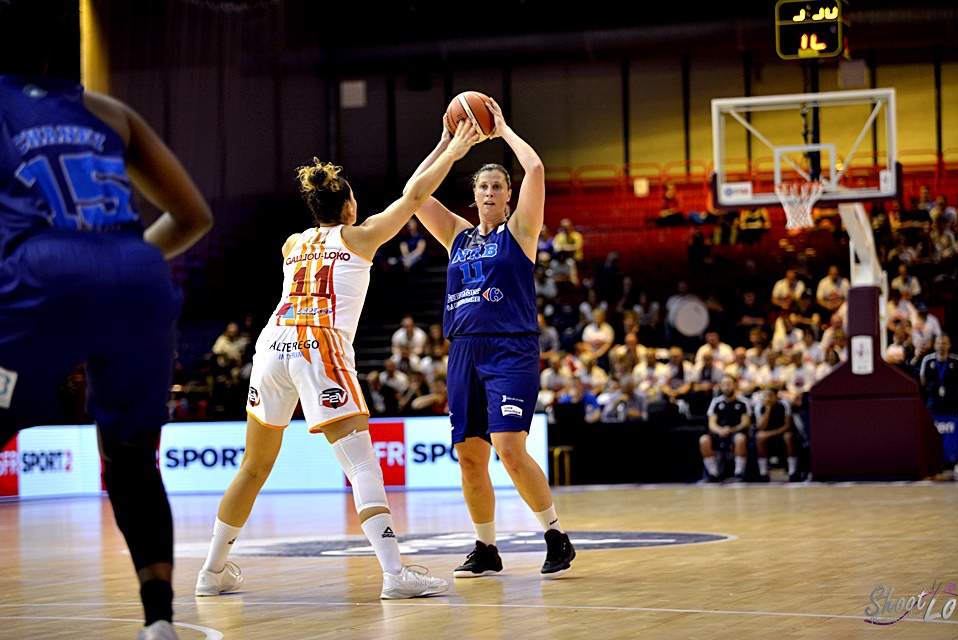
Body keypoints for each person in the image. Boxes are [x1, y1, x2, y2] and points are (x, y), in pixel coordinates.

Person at [0, 2, 214, 638]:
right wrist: (118, 262)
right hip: (139, 274)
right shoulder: (108, 111)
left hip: (44, 271)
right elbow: (193, 216)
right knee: (130, 460)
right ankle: (159, 624)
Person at [195, 122, 478, 601]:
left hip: (272, 346)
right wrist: (452, 148)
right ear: (348, 205)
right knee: (363, 465)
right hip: (317, 346)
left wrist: (443, 145)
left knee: (253, 467)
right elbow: (414, 195)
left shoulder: (291, 244)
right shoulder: (362, 236)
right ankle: (394, 575)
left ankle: (211, 570)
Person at [407, 96, 576, 579]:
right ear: (473, 194)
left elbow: (537, 168)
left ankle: (555, 536)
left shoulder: (520, 231)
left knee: (508, 447)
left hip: (510, 348)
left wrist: (501, 130)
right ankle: (486, 548)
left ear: (507, 195)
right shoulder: (457, 235)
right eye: (481, 186)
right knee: (470, 456)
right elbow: (413, 193)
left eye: (497, 186)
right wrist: (447, 145)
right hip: (463, 350)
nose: (488, 192)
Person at [698, 374, 751, 482]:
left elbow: (745, 422)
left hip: (736, 431)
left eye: (729, 384)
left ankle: (739, 473)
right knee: (704, 440)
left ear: (735, 385)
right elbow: (712, 423)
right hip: (720, 431)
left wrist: (732, 429)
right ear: (720, 387)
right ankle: (713, 474)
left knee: (740, 439)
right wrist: (720, 430)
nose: (727, 387)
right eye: (724, 385)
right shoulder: (716, 402)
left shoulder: (743, 401)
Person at [753, 386, 802, 482]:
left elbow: (788, 426)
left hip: (782, 432)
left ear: (776, 396)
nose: (768, 398)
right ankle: (763, 473)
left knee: (788, 437)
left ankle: (792, 471)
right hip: (767, 434)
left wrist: (770, 434)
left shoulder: (784, 404)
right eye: (765, 396)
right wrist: (768, 410)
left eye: (770, 396)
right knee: (759, 437)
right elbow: (760, 426)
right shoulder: (759, 406)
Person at [919, 333, 958, 417]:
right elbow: (923, 381)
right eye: (939, 343)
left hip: (952, 400)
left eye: (944, 343)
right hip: (933, 400)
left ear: (949, 345)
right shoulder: (927, 360)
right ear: (934, 346)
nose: (941, 346)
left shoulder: (956, 360)